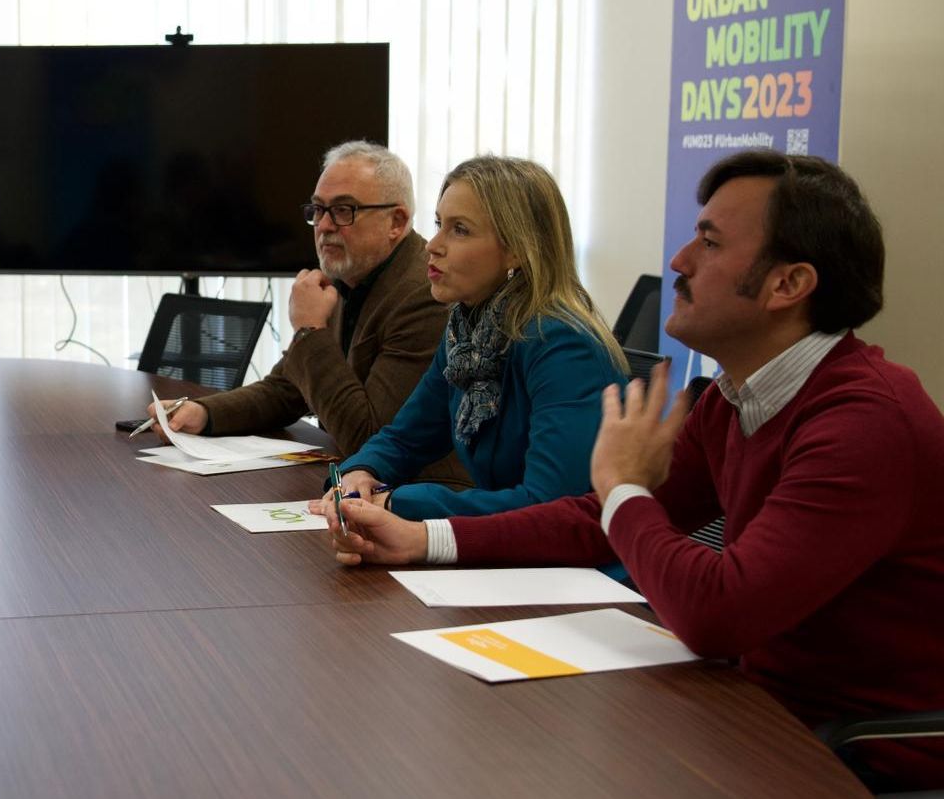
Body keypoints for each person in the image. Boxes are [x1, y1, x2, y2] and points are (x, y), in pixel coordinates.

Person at [325, 151, 944, 791]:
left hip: (848, 756)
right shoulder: (738, 397)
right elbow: (598, 521)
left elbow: (716, 611)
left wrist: (622, 487)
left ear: (788, 285)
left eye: (709, 242)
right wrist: (424, 540)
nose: (678, 261)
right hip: (742, 710)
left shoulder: (864, 423)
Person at [317, 155, 626, 520]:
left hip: (580, 568)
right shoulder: (468, 336)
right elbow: (404, 437)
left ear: (515, 249)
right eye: (438, 224)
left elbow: (547, 507)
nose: (433, 245)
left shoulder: (562, 345)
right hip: (509, 556)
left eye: (459, 229)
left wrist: (397, 502)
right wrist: (361, 473)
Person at [148, 141, 470, 486]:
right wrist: (206, 412)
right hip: (353, 483)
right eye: (318, 210)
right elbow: (288, 387)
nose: (324, 225)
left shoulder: (426, 294)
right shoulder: (344, 275)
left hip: (422, 498)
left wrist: (310, 330)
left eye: (344, 210)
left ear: (396, 221)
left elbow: (371, 439)